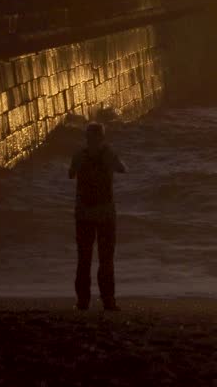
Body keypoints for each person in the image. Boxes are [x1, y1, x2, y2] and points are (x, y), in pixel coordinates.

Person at [68, 123, 127, 311]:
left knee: (84, 259)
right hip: (105, 213)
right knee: (106, 259)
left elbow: (70, 174)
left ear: (87, 137)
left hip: (83, 213)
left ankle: (83, 301)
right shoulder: (108, 154)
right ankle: (108, 300)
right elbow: (122, 169)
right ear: (102, 137)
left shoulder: (79, 155)